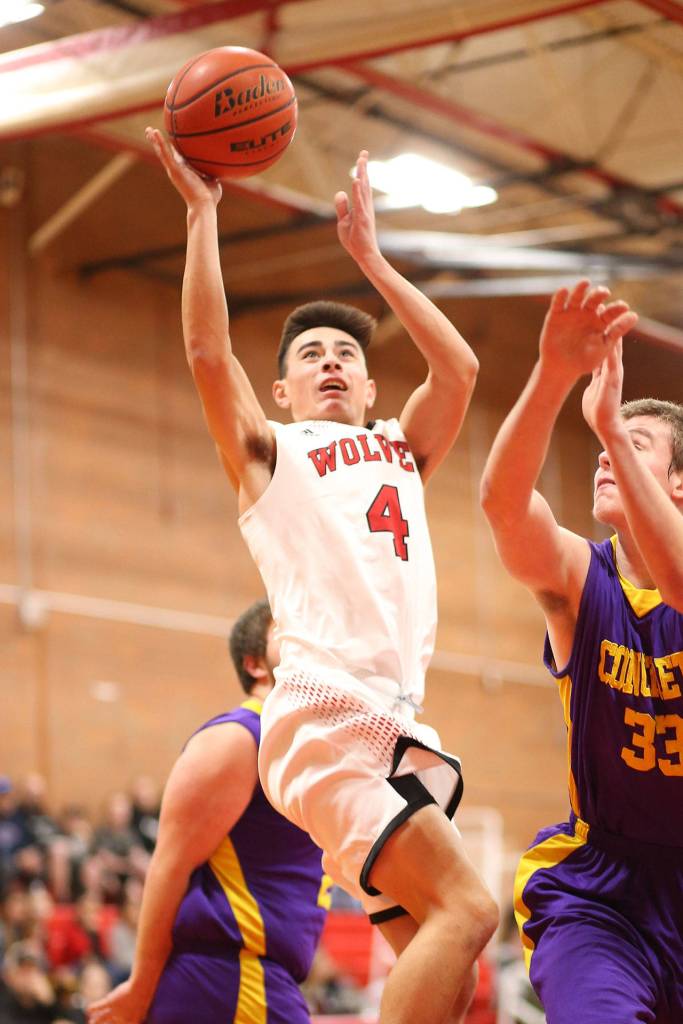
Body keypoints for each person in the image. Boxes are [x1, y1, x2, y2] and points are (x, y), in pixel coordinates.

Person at [143, 127, 498, 1024]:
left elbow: (457, 370)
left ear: (372, 388)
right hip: (321, 707)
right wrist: (201, 217)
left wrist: (374, 263)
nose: (331, 363)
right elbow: (203, 352)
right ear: (284, 391)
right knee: (471, 909)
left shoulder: (399, 450)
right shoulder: (269, 452)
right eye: (310, 357)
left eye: (346, 356)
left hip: (389, 714)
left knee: (446, 974)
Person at [480, 280, 683, 1022]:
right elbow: (503, 505)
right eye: (601, 446)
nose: (605, 456)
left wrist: (606, 427)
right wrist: (552, 375)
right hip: (601, 890)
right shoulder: (578, 576)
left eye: (632, 447)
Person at [87, 600, 328, 1024]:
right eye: (284, 631)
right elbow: (169, 865)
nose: (303, 637)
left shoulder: (306, 747)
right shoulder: (238, 738)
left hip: (259, 981)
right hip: (231, 979)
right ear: (254, 664)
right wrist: (140, 987)